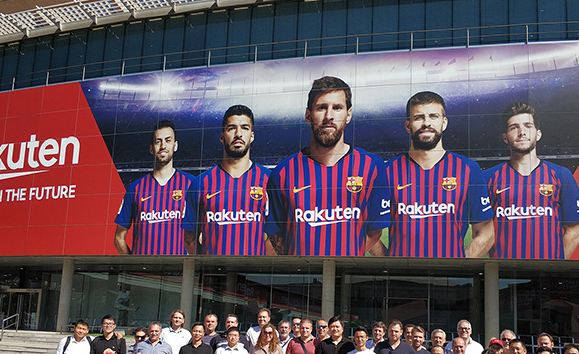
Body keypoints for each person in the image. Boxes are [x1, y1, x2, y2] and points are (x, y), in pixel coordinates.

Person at [265, 76, 390, 256]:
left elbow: (374, 230)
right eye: (321, 107)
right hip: (301, 279)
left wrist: (342, 262)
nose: (329, 116)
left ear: (349, 115)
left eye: (337, 108)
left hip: (347, 278)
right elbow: (277, 237)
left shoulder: (373, 167)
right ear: (308, 115)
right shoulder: (282, 173)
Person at [381, 91, 494, 257]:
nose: (427, 123)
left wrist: (460, 265)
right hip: (399, 279)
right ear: (407, 125)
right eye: (419, 117)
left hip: (451, 279)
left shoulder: (468, 169)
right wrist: (387, 266)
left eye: (433, 116)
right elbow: (367, 229)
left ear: (444, 122)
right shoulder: (387, 171)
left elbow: (486, 231)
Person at [484, 102, 579, 259]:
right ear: (505, 138)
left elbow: (574, 232)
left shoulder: (561, 175)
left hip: (547, 277)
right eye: (514, 127)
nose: (522, 132)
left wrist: (553, 267)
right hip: (504, 276)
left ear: (538, 134)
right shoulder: (488, 178)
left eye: (528, 126)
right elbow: (481, 232)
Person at [183, 104, 273, 255]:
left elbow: (278, 235)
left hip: (255, 276)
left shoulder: (270, 180)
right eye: (231, 128)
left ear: (252, 135)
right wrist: (208, 265)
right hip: (213, 275)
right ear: (222, 136)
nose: (238, 134)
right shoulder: (200, 183)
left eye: (244, 128)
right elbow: (189, 237)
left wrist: (258, 267)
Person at [114, 119, 195, 255]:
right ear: (152, 148)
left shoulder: (191, 184)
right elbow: (118, 238)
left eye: (168, 140)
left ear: (175, 146)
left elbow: (201, 235)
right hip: (143, 274)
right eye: (158, 141)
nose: (163, 146)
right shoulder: (135, 188)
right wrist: (134, 265)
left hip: (180, 273)